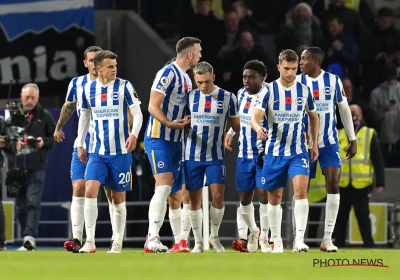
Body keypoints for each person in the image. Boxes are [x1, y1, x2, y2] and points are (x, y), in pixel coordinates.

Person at [251, 49, 319, 253]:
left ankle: (299, 240)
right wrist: (258, 128)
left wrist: (313, 143)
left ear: (297, 68)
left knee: (301, 191)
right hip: (274, 151)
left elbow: (314, 117)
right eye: (286, 68)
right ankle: (277, 240)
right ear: (279, 67)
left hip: (298, 151)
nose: (289, 73)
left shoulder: (304, 90)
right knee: (274, 198)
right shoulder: (268, 91)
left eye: (293, 69)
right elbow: (255, 117)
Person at [76, 50, 143, 254]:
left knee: (117, 198)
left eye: (115, 66)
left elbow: (138, 114)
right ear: (98, 68)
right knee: (89, 190)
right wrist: (80, 143)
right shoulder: (88, 89)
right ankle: (90, 241)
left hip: (120, 153)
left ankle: (117, 241)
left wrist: (133, 135)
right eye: (110, 66)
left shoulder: (124, 87)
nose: (114, 69)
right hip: (97, 152)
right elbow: (84, 118)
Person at [52, 46, 115, 253]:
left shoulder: (115, 85)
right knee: (79, 187)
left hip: (107, 146)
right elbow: (69, 106)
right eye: (91, 60)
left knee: (110, 193)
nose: (95, 65)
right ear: (86, 63)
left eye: (98, 61)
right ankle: (78, 238)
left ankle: (111, 239)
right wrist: (59, 126)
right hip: (82, 145)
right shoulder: (77, 83)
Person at [295, 46, 357, 252]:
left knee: (333, 182)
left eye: (304, 59)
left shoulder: (333, 80)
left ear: (315, 61)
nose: (300, 63)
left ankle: (327, 239)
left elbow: (343, 108)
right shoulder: (297, 82)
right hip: (303, 144)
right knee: (302, 190)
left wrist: (352, 138)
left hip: (329, 142)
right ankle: (299, 239)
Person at [143, 37, 201, 253]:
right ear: (189, 54)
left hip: (177, 141)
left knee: (176, 194)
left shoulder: (186, 79)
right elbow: (152, 105)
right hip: (158, 137)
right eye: (199, 51)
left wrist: (185, 123)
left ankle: (178, 242)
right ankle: (153, 238)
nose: (200, 55)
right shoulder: (167, 73)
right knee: (164, 185)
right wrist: (168, 123)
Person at [185, 61, 240, 253]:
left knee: (218, 197)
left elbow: (236, 123)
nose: (203, 86)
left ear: (213, 77)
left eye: (206, 82)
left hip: (215, 156)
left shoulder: (228, 97)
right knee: (194, 200)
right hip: (191, 156)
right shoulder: (189, 97)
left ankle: (213, 236)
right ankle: (198, 241)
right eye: (199, 82)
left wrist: (229, 135)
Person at [225, 60, 270, 253]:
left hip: (263, 154)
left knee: (264, 195)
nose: (247, 80)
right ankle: (252, 231)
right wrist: (230, 133)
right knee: (244, 198)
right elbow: (240, 121)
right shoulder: (241, 94)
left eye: (252, 77)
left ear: (263, 78)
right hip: (243, 154)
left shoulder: (270, 95)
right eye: (245, 76)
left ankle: (266, 238)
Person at [9, 83, 57, 251]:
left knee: (33, 202)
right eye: (27, 97)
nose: (29, 101)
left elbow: (55, 138)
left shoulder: (45, 116)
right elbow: (6, 136)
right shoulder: (12, 115)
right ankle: (26, 238)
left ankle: (30, 238)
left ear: (38, 98)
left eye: (33, 98)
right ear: (21, 97)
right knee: (20, 206)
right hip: (16, 167)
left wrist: (43, 142)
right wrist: (10, 143)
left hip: (37, 166)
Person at [334, 104, 385, 248]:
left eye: (355, 112)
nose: (353, 115)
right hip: (343, 184)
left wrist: (380, 182)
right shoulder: (339, 134)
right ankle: (338, 245)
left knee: (363, 217)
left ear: (361, 116)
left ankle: (369, 245)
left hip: (361, 184)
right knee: (340, 218)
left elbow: (378, 160)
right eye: (349, 113)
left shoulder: (369, 133)